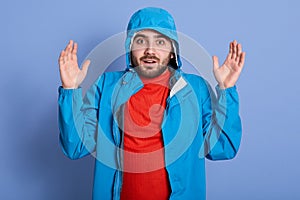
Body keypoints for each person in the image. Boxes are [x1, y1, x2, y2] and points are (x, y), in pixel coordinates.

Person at [58, 7, 245, 200]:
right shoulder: (106, 86)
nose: (150, 50)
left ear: (173, 51)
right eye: (140, 41)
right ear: (129, 48)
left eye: (160, 41)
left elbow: (223, 148)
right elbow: (75, 147)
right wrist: (70, 90)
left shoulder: (196, 89)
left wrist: (226, 90)